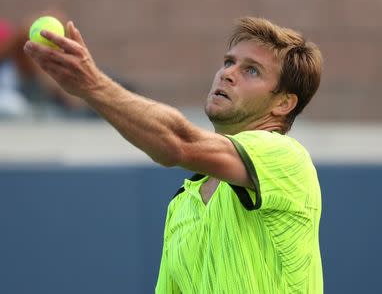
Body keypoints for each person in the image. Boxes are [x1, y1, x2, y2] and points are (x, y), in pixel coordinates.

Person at [24, 16, 323, 293]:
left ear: (283, 103)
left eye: (251, 70)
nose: (228, 74)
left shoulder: (286, 158)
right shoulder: (184, 201)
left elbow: (178, 142)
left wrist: (92, 85)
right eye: (228, 62)